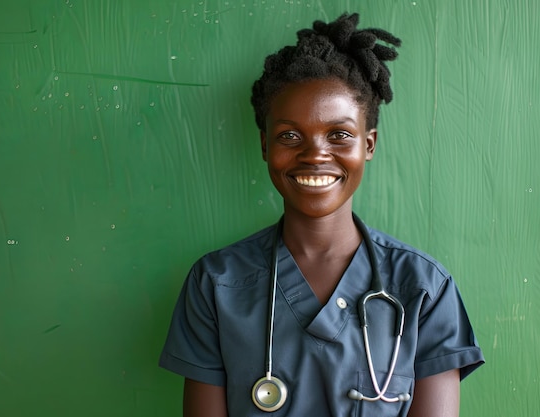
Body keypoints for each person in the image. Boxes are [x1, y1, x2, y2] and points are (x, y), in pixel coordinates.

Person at [159, 12, 484, 417]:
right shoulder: (216, 283)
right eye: (289, 136)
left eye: (339, 135)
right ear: (264, 145)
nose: (315, 154)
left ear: (369, 144)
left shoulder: (424, 290)